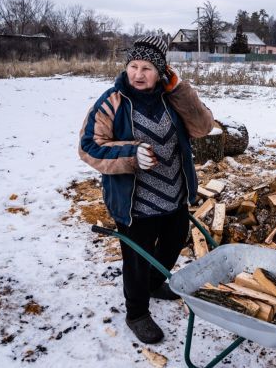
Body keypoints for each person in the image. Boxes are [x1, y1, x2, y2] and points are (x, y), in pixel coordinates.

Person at [78, 36, 213, 344]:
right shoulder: (111, 102)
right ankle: (137, 312)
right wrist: (129, 154)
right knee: (136, 260)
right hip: (133, 203)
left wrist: (179, 88)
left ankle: (155, 284)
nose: (138, 74)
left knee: (172, 244)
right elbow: (89, 147)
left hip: (174, 195)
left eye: (147, 68)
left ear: (161, 71)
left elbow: (202, 127)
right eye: (133, 66)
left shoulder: (171, 98)